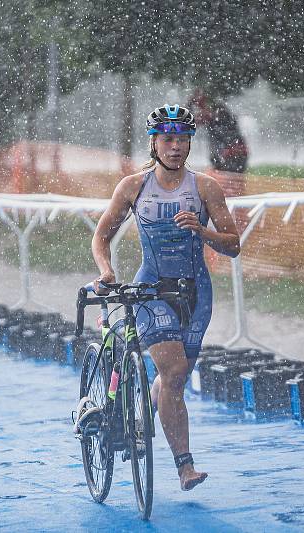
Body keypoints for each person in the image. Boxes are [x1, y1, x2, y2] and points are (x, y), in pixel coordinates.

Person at [91, 104, 240, 491]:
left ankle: (149, 415)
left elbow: (233, 245)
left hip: (195, 293)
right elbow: (101, 236)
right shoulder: (133, 187)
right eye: (168, 139)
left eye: (183, 139)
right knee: (173, 373)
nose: (176, 147)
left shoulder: (205, 187)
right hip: (151, 290)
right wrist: (107, 271)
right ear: (154, 143)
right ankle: (184, 467)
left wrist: (203, 232)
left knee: (174, 379)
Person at [188, 90, 249, 174]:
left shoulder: (217, 113)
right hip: (229, 154)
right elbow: (193, 121)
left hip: (231, 154)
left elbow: (194, 121)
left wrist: (190, 104)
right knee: (230, 181)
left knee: (230, 180)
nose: (198, 108)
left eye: (199, 103)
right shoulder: (217, 112)